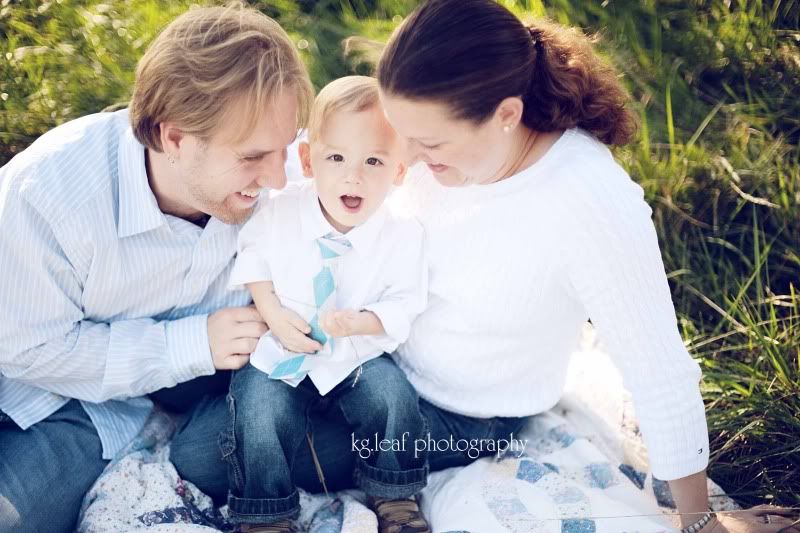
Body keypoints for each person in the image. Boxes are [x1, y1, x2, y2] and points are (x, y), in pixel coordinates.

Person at [373, 1, 799, 532]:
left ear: (506, 114)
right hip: (367, 367)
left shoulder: (585, 199)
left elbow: (656, 364)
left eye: (430, 143)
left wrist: (700, 520)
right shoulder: (437, 152)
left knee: (246, 451)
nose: (405, 157)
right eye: (399, 130)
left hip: (453, 417)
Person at [0, 4, 312, 532]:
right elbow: (26, 349)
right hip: (45, 395)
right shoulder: (48, 197)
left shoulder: (292, 175)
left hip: (137, 416)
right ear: (174, 139)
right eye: (253, 156)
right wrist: (189, 344)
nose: (279, 178)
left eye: (284, 148)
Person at [223, 76, 430, 532]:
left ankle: (395, 494)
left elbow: (405, 301)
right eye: (336, 157)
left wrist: (363, 322)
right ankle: (266, 513)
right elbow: (253, 256)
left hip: (354, 352)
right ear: (307, 159)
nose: (352, 175)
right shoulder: (281, 210)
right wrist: (272, 312)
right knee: (257, 406)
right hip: (285, 344)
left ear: (398, 171)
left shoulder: (402, 234)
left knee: (392, 396)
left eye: (374, 160)